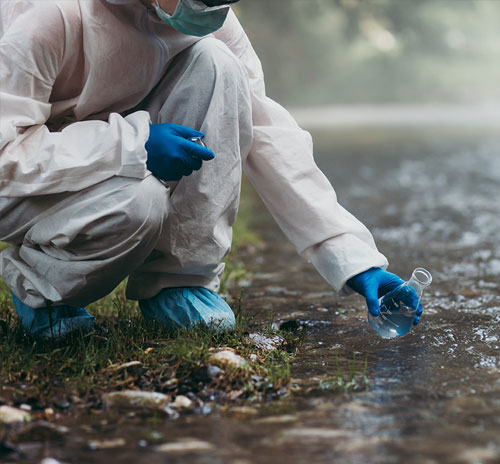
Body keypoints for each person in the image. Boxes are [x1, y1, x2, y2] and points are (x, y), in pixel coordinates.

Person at [0, 0, 422, 340]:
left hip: (103, 156)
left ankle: (180, 280)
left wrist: (353, 259)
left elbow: (268, 133)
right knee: (137, 203)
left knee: (219, 63)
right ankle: (43, 290)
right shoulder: (49, 15)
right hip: (23, 187)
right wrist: (131, 143)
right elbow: (6, 153)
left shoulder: (209, 17)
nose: (214, 7)